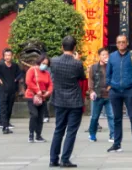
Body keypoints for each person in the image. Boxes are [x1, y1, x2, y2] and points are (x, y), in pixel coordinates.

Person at [49, 36, 87, 168]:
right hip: (74, 101)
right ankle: (65, 159)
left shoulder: (54, 61)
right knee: (71, 131)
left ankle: (53, 159)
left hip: (59, 100)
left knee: (58, 129)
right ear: (74, 47)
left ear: (62, 47)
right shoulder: (77, 63)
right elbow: (82, 77)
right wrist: (77, 60)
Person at [106, 34, 132, 154]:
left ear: (127, 43)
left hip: (129, 90)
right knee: (117, 118)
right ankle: (116, 144)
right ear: (116, 44)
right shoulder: (112, 56)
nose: (121, 44)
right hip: (115, 91)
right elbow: (108, 73)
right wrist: (109, 85)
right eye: (119, 42)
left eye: (123, 42)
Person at [0, 48, 22, 134]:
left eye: (9, 55)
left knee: (9, 109)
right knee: (3, 108)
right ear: (4, 56)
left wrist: (16, 79)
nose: (7, 57)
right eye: (6, 55)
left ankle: (6, 125)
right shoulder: (0, 65)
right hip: (3, 90)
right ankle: (4, 127)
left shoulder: (15, 65)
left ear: (12, 56)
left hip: (12, 90)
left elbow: (21, 73)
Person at [88, 47, 115, 143]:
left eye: (106, 55)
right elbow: (91, 80)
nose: (105, 56)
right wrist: (91, 91)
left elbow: (115, 78)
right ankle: (92, 134)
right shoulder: (94, 67)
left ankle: (113, 135)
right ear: (99, 56)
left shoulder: (111, 67)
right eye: (103, 55)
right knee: (95, 116)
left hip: (109, 95)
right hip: (98, 94)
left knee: (111, 115)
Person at [25, 54, 52, 143]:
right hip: (31, 96)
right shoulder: (32, 70)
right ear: (39, 61)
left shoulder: (47, 73)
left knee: (40, 117)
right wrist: (37, 90)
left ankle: (38, 135)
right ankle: (31, 134)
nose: (44, 65)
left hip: (42, 97)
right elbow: (28, 81)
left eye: (46, 64)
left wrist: (48, 92)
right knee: (34, 115)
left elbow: (50, 84)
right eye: (43, 63)